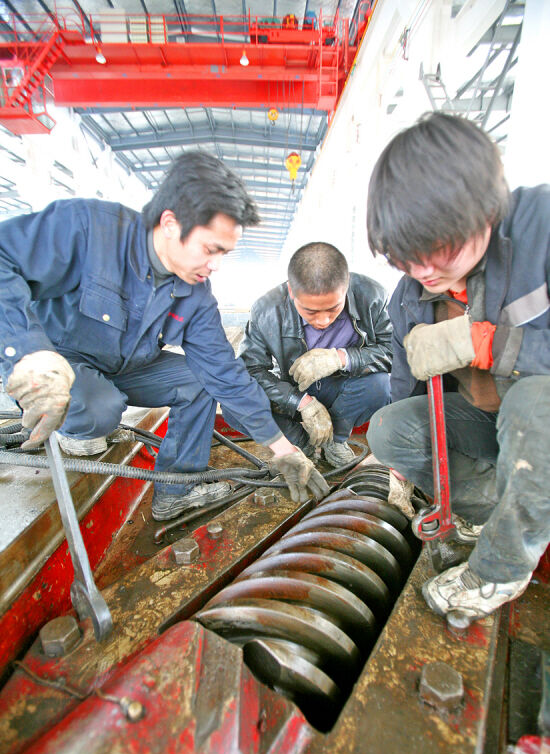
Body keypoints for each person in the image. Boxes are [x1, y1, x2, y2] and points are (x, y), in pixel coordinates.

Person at [0, 151, 328, 521]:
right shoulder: (89, 229)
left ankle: (176, 491)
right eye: (210, 249)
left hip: (128, 367)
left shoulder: (195, 294)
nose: (216, 264)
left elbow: (225, 376)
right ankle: (74, 427)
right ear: (170, 223)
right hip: (59, 364)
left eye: (225, 253)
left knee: (200, 382)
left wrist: (282, 449)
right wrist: (28, 355)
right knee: (100, 409)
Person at [366, 111, 550, 621]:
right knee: (388, 431)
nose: (424, 270)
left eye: (439, 248)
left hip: (540, 427)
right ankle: (486, 511)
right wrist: (397, 468)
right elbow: (407, 381)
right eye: (406, 256)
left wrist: (486, 343)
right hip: (493, 428)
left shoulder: (542, 231)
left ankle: (501, 569)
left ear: (485, 212)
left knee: (536, 406)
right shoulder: (410, 294)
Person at [225, 242, 392, 466]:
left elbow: (394, 352)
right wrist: (300, 402)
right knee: (234, 405)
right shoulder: (266, 309)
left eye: (334, 308)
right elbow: (250, 369)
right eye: (310, 311)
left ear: (346, 287)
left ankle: (335, 440)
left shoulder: (372, 296)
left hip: (343, 388)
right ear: (292, 292)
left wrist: (342, 358)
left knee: (380, 385)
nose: (323, 321)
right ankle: (299, 444)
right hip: (292, 390)